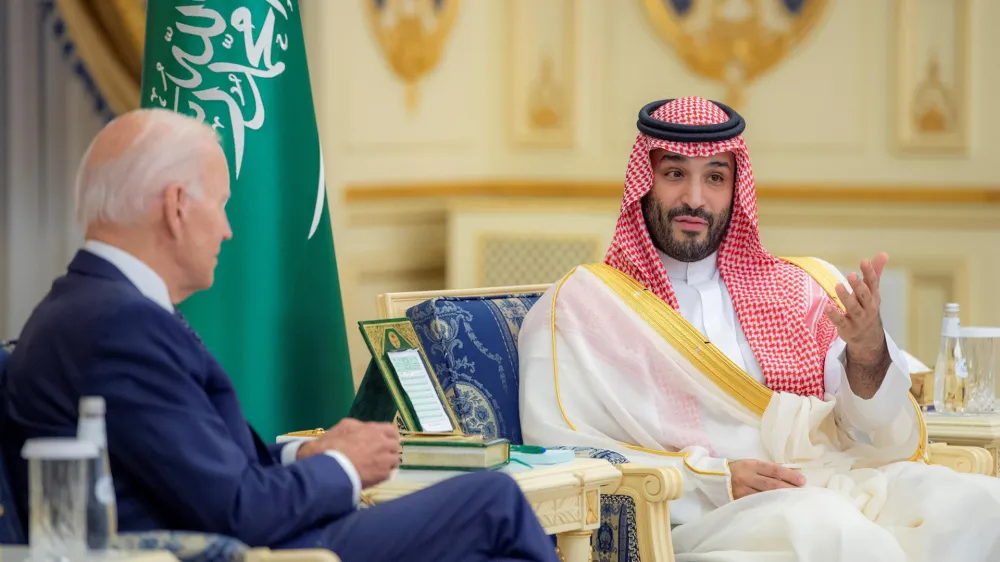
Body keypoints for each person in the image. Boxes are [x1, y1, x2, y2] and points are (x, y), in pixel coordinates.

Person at [0, 108, 559, 562]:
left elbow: (196, 464)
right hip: (251, 551)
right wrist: (344, 467)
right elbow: (234, 509)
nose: (227, 228)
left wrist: (306, 452)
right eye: (220, 205)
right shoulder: (117, 324)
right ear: (175, 207)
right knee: (495, 503)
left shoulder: (87, 306)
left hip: (242, 538)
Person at [518, 96, 1000, 561]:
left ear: (736, 188)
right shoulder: (587, 305)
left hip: (835, 480)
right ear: (644, 181)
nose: (693, 198)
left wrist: (868, 351)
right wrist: (714, 479)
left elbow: (868, 429)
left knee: (981, 508)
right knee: (834, 534)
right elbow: (561, 449)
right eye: (674, 174)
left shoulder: (800, 286)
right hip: (705, 512)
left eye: (714, 178)